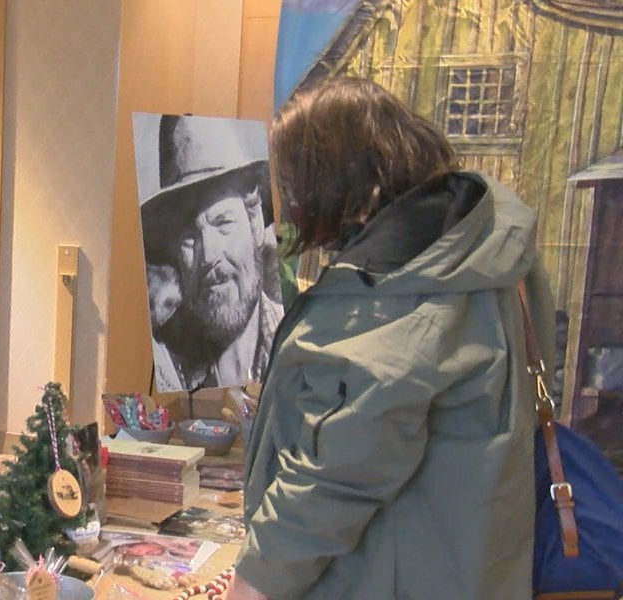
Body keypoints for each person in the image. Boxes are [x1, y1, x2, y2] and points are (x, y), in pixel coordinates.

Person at [229, 77, 554, 599]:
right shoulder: (483, 243)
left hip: (379, 575)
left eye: (294, 182)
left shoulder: (395, 289)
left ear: (337, 176)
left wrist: (254, 580)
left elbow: (336, 468)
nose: (290, 202)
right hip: (465, 559)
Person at [141, 115, 284, 393]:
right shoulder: (165, 364)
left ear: (254, 222)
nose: (209, 256)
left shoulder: (291, 345)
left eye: (223, 224)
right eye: (189, 237)